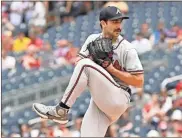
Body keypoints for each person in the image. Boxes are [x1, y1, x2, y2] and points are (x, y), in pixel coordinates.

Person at [32, 6, 144, 137]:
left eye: (120, 21)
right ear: (103, 23)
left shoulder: (127, 49)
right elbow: (79, 63)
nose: (119, 25)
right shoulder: (92, 39)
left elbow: (139, 81)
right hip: (100, 102)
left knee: (85, 65)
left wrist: (111, 69)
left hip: (119, 97)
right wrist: (95, 60)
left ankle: (62, 109)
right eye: (115, 22)